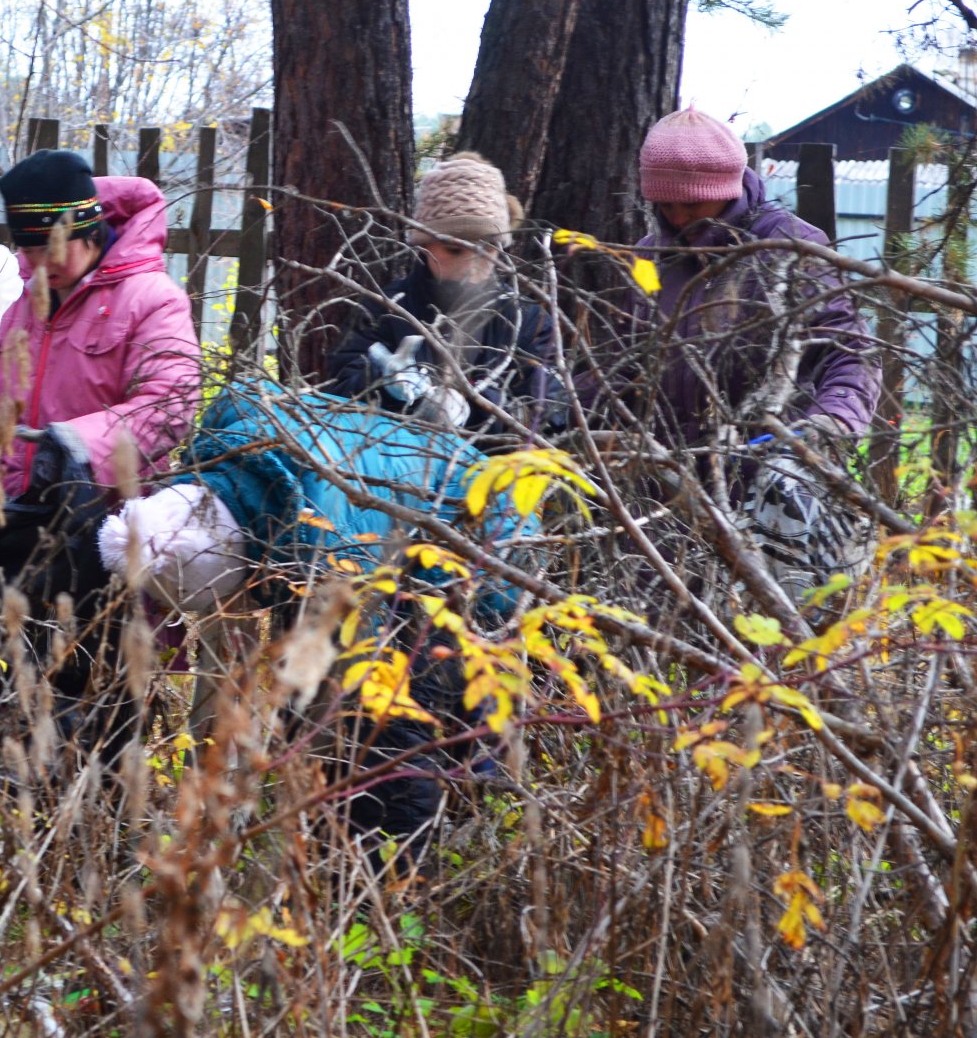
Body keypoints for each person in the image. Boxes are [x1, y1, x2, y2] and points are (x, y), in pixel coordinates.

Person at [97, 379, 536, 866]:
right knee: (314, 701)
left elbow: (359, 680)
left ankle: (404, 873)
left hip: (486, 535)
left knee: (396, 725)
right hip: (396, 514)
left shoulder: (328, 533)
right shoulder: (232, 461)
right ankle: (333, 847)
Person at [0, 148, 202, 741]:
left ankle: (108, 824)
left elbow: (172, 401)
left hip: (109, 546)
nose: (37, 263)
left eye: (50, 247)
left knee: (106, 715)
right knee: (16, 703)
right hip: (22, 537)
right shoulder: (24, 300)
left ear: (88, 228)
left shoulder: (150, 298)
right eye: (29, 249)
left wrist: (75, 445)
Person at [592, 106, 879, 593]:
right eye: (665, 204)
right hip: (664, 498)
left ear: (725, 190)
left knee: (764, 650)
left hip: (769, 499)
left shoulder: (788, 249)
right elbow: (617, 364)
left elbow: (849, 355)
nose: (677, 217)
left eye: (691, 205)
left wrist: (823, 431)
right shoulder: (648, 257)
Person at [324, 151, 559, 442]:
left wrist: (474, 406)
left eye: (488, 247)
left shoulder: (527, 319)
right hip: (391, 472)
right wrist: (383, 384)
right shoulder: (387, 307)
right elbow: (335, 395)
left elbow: (550, 415)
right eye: (456, 249)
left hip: (487, 478)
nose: (474, 261)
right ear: (426, 246)